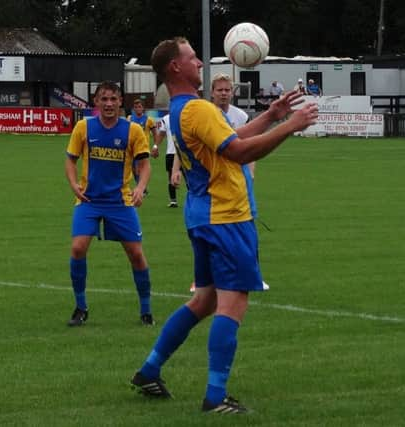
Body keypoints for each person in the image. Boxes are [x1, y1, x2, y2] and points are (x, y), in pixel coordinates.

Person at [130, 37, 318, 413]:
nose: (200, 62)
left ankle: (149, 369)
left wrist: (272, 115)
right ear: (175, 68)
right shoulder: (197, 109)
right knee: (232, 303)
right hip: (226, 217)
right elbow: (240, 152)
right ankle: (215, 397)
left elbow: (231, 138)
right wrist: (291, 126)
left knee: (205, 299)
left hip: (203, 216)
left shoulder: (184, 109)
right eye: (192, 58)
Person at [65, 81, 155, 326]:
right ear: (96, 102)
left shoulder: (132, 131)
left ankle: (146, 310)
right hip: (89, 200)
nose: (108, 104)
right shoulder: (83, 127)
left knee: (136, 254)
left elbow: (145, 165)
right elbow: (70, 160)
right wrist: (74, 185)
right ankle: (80, 307)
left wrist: (140, 187)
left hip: (120, 201)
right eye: (104, 99)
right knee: (78, 249)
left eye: (113, 99)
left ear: (120, 102)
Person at [186, 72, 269, 293]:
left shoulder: (240, 115)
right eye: (219, 90)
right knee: (207, 230)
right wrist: (176, 170)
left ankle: (255, 273)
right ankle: (202, 279)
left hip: (238, 174)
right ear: (211, 92)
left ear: (232, 92)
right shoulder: (204, 113)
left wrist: (251, 171)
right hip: (212, 177)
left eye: (227, 90)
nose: (223, 94)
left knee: (248, 219)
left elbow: (249, 144)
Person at [127, 99, 158, 191]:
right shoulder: (130, 118)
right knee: (133, 168)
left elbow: (155, 133)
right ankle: (142, 187)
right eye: (136, 107)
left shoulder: (149, 120)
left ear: (143, 108)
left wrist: (155, 146)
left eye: (139, 107)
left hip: (143, 147)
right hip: (132, 147)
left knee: (139, 168)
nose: (138, 109)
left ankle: (141, 187)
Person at [153, 113, 180, 207]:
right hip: (171, 152)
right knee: (170, 177)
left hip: (185, 152)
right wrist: (156, 146)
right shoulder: (166, 118)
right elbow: (161, 134)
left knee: (189, 176)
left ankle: (193, 198)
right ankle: (173, 201)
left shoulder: (187, 116)